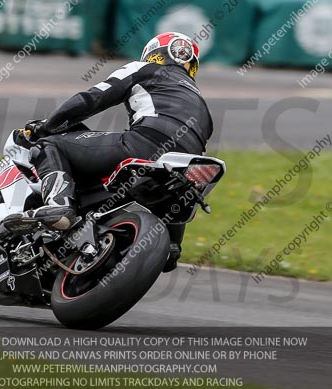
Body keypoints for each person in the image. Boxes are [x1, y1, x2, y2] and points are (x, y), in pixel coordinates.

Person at [20, 31, 213, 272]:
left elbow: (92, 98)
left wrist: (48, 126)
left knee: (50, 145)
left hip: (144, 143)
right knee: (178, 186)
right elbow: (180, 175)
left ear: (152, 54)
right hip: (184, 162)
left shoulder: (142, 69)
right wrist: (172, 244)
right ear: (191, 66)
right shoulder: (201, 103)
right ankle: (171, 244)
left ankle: (60, 205)